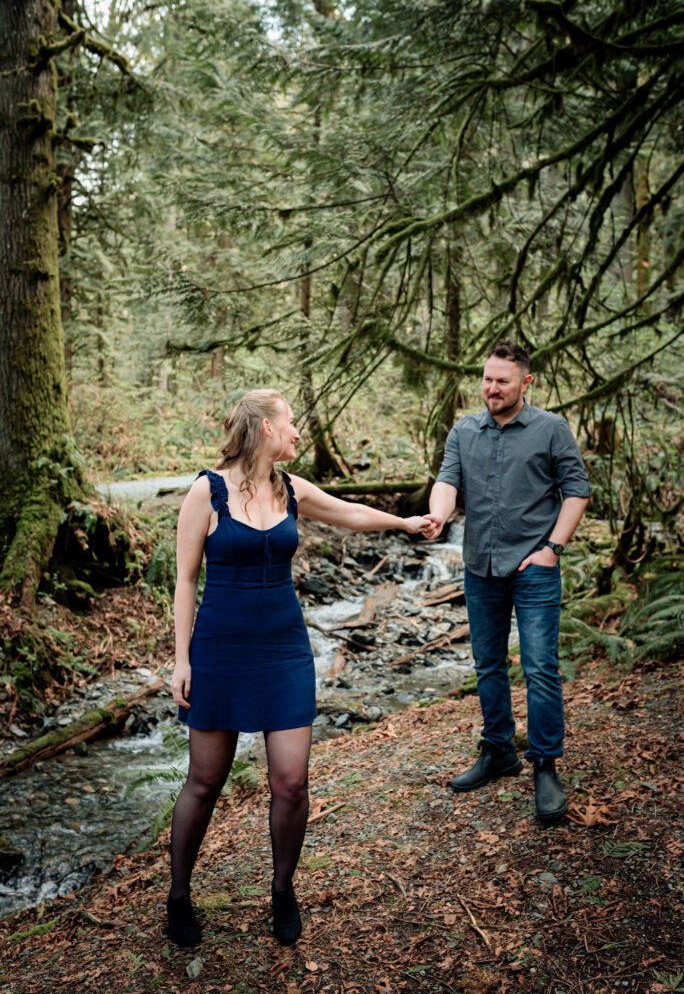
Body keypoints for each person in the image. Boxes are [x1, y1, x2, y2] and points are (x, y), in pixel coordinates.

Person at [168, 389, 430, 947]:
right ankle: (179, 895)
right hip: (219, 652)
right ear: (264, 428)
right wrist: (181, 660)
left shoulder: (290, 489)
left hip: (284, 651)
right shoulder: (205, 491)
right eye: (290, 423)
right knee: (205, 780)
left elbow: (351, 512)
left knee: (290, 784)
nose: (296, 432)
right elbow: (186, 580)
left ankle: (283, 891)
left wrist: (405, 523)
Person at [423, 341, 591, 821]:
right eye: (487, 379)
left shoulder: (551, 429)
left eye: (503, 381)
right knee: (488, 664)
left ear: (526, 382)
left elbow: (577, 491)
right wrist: (437, 517)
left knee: (539, 668)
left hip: (533, 568)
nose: (492, 389)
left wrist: (551, 550)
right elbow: (447, 481)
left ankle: (545, 766)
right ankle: (498, 750)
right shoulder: (465, 429)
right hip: (480, 567)